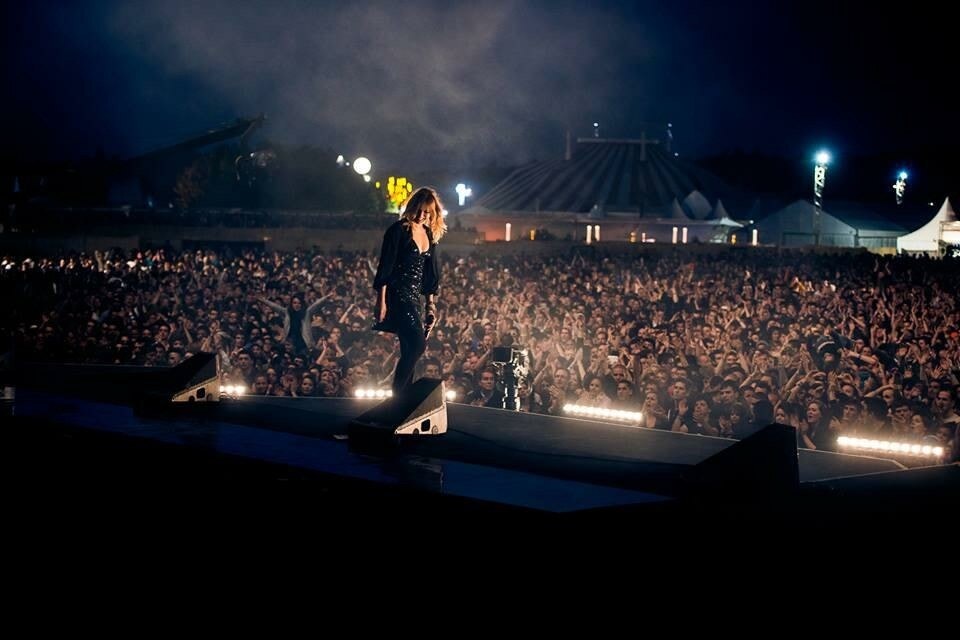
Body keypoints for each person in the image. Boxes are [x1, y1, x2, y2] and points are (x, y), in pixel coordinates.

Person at [372, 187, 445, 394]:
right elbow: (385, 266)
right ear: (412, 207)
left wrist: (430, 305)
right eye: (419, 210)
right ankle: (397, 398)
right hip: (397, 295)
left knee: (409, 349)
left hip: (414, 298)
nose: (422, 215)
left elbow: (430, 274)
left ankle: (402, 399)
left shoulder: (430, 234)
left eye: (427, 212)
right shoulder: (398, 230)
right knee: (417, 345)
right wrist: (381, 302)